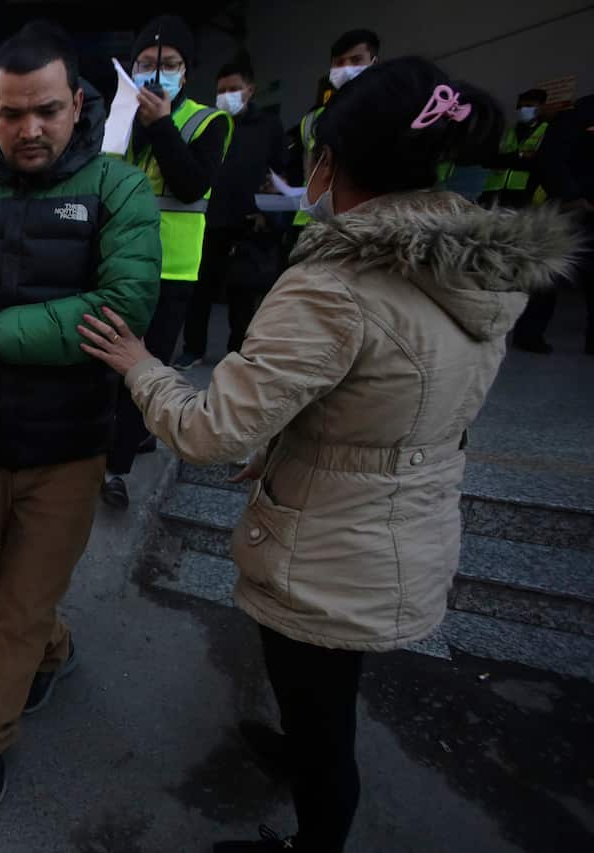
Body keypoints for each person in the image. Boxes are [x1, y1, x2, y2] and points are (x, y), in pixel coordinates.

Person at [79, 57, 576, 853]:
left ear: (330, 161)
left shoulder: (334, 286)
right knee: (323, 694)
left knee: (323, 717)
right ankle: (303, 757)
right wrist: (287, 436)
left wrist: (139, 364)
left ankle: (314, 834)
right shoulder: (480, 265)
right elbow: (378, 390)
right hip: (400, 520)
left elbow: (211, 429)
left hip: (330, 549)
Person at [0, 21, 161, 811]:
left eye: (48, 111)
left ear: (78, 104)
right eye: (12, 113)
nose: (30, 129)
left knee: (19, 607)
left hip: (70, 444)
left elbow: (121, 309)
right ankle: (57, 649)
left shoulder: (117, 189)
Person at [103, 14, 232, 510]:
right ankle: (126, 440)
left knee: (143, 366)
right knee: (109, 363)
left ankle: (115, 470)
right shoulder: (118, 117)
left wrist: (161, 127)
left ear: (186, 70)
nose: (157, 75)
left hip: (171, 268)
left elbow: (191, 185)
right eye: (146, 64)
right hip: (115, 263)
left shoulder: (206, 122)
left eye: (170, 65)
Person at [178, 60, 287, 368]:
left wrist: (270, 205)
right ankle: (193, 348)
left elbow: (280, 171)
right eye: (221, 90)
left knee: (242, 292)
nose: (226, 95)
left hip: (248, 222)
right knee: (200, 290)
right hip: (209, 219)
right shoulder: (209, 122)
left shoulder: (268, 126)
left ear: (250, 90)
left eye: (234, 89)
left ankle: (237, 352)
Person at [485, 89, 557, 353]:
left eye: (531, 105)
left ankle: (530, 334)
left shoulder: (550, 132)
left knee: (534, 270)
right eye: (523, 105)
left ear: (542, 107)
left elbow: (543, 164)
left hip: (532, 205)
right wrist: (519, 159)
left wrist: (514, 161)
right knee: (497, 265)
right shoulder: (510, 132)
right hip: (499, 202)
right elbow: (491, 159)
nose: (525, 109)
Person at [291, 30, 381, 230]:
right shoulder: (312, 120)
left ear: (374, 63)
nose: (347, 68)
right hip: (313, 224)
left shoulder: (389, 112)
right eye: (339, 62)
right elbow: (308, 171)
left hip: (365, 224)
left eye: (356, 60)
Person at [539, 94, 594, 354]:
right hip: (576, 207)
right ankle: (530, 333)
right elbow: (552, 157)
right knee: (551, 272)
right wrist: (572, 197)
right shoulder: (580, 113)